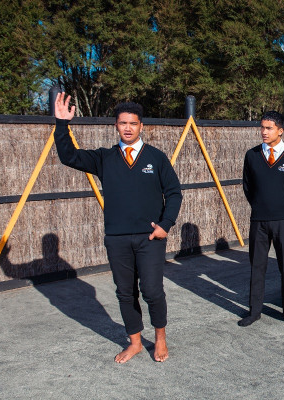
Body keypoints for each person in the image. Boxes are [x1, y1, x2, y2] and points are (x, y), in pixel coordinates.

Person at [54, 93, 183, 363]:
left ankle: (160, 338)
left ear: (141, 126)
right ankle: (135, 342)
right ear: (115, 125)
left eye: (133, 123)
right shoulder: (104, 158)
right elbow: (68, 156)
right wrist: (62, 123)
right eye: (122, 123)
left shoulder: (156, 158)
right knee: (125, 292)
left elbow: (174, 193)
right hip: (117, 238)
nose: (127, 127)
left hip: (150, 238)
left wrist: (165, 225)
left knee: (152, 290)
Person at [240, 111, 284, 328]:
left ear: (280, 130)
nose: (264, 132)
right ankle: (254, 312)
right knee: (257, 267)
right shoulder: (252, 155)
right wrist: (261, 206)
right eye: (262, 127)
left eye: (269, 128)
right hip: (258, 221)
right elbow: (248, 187)